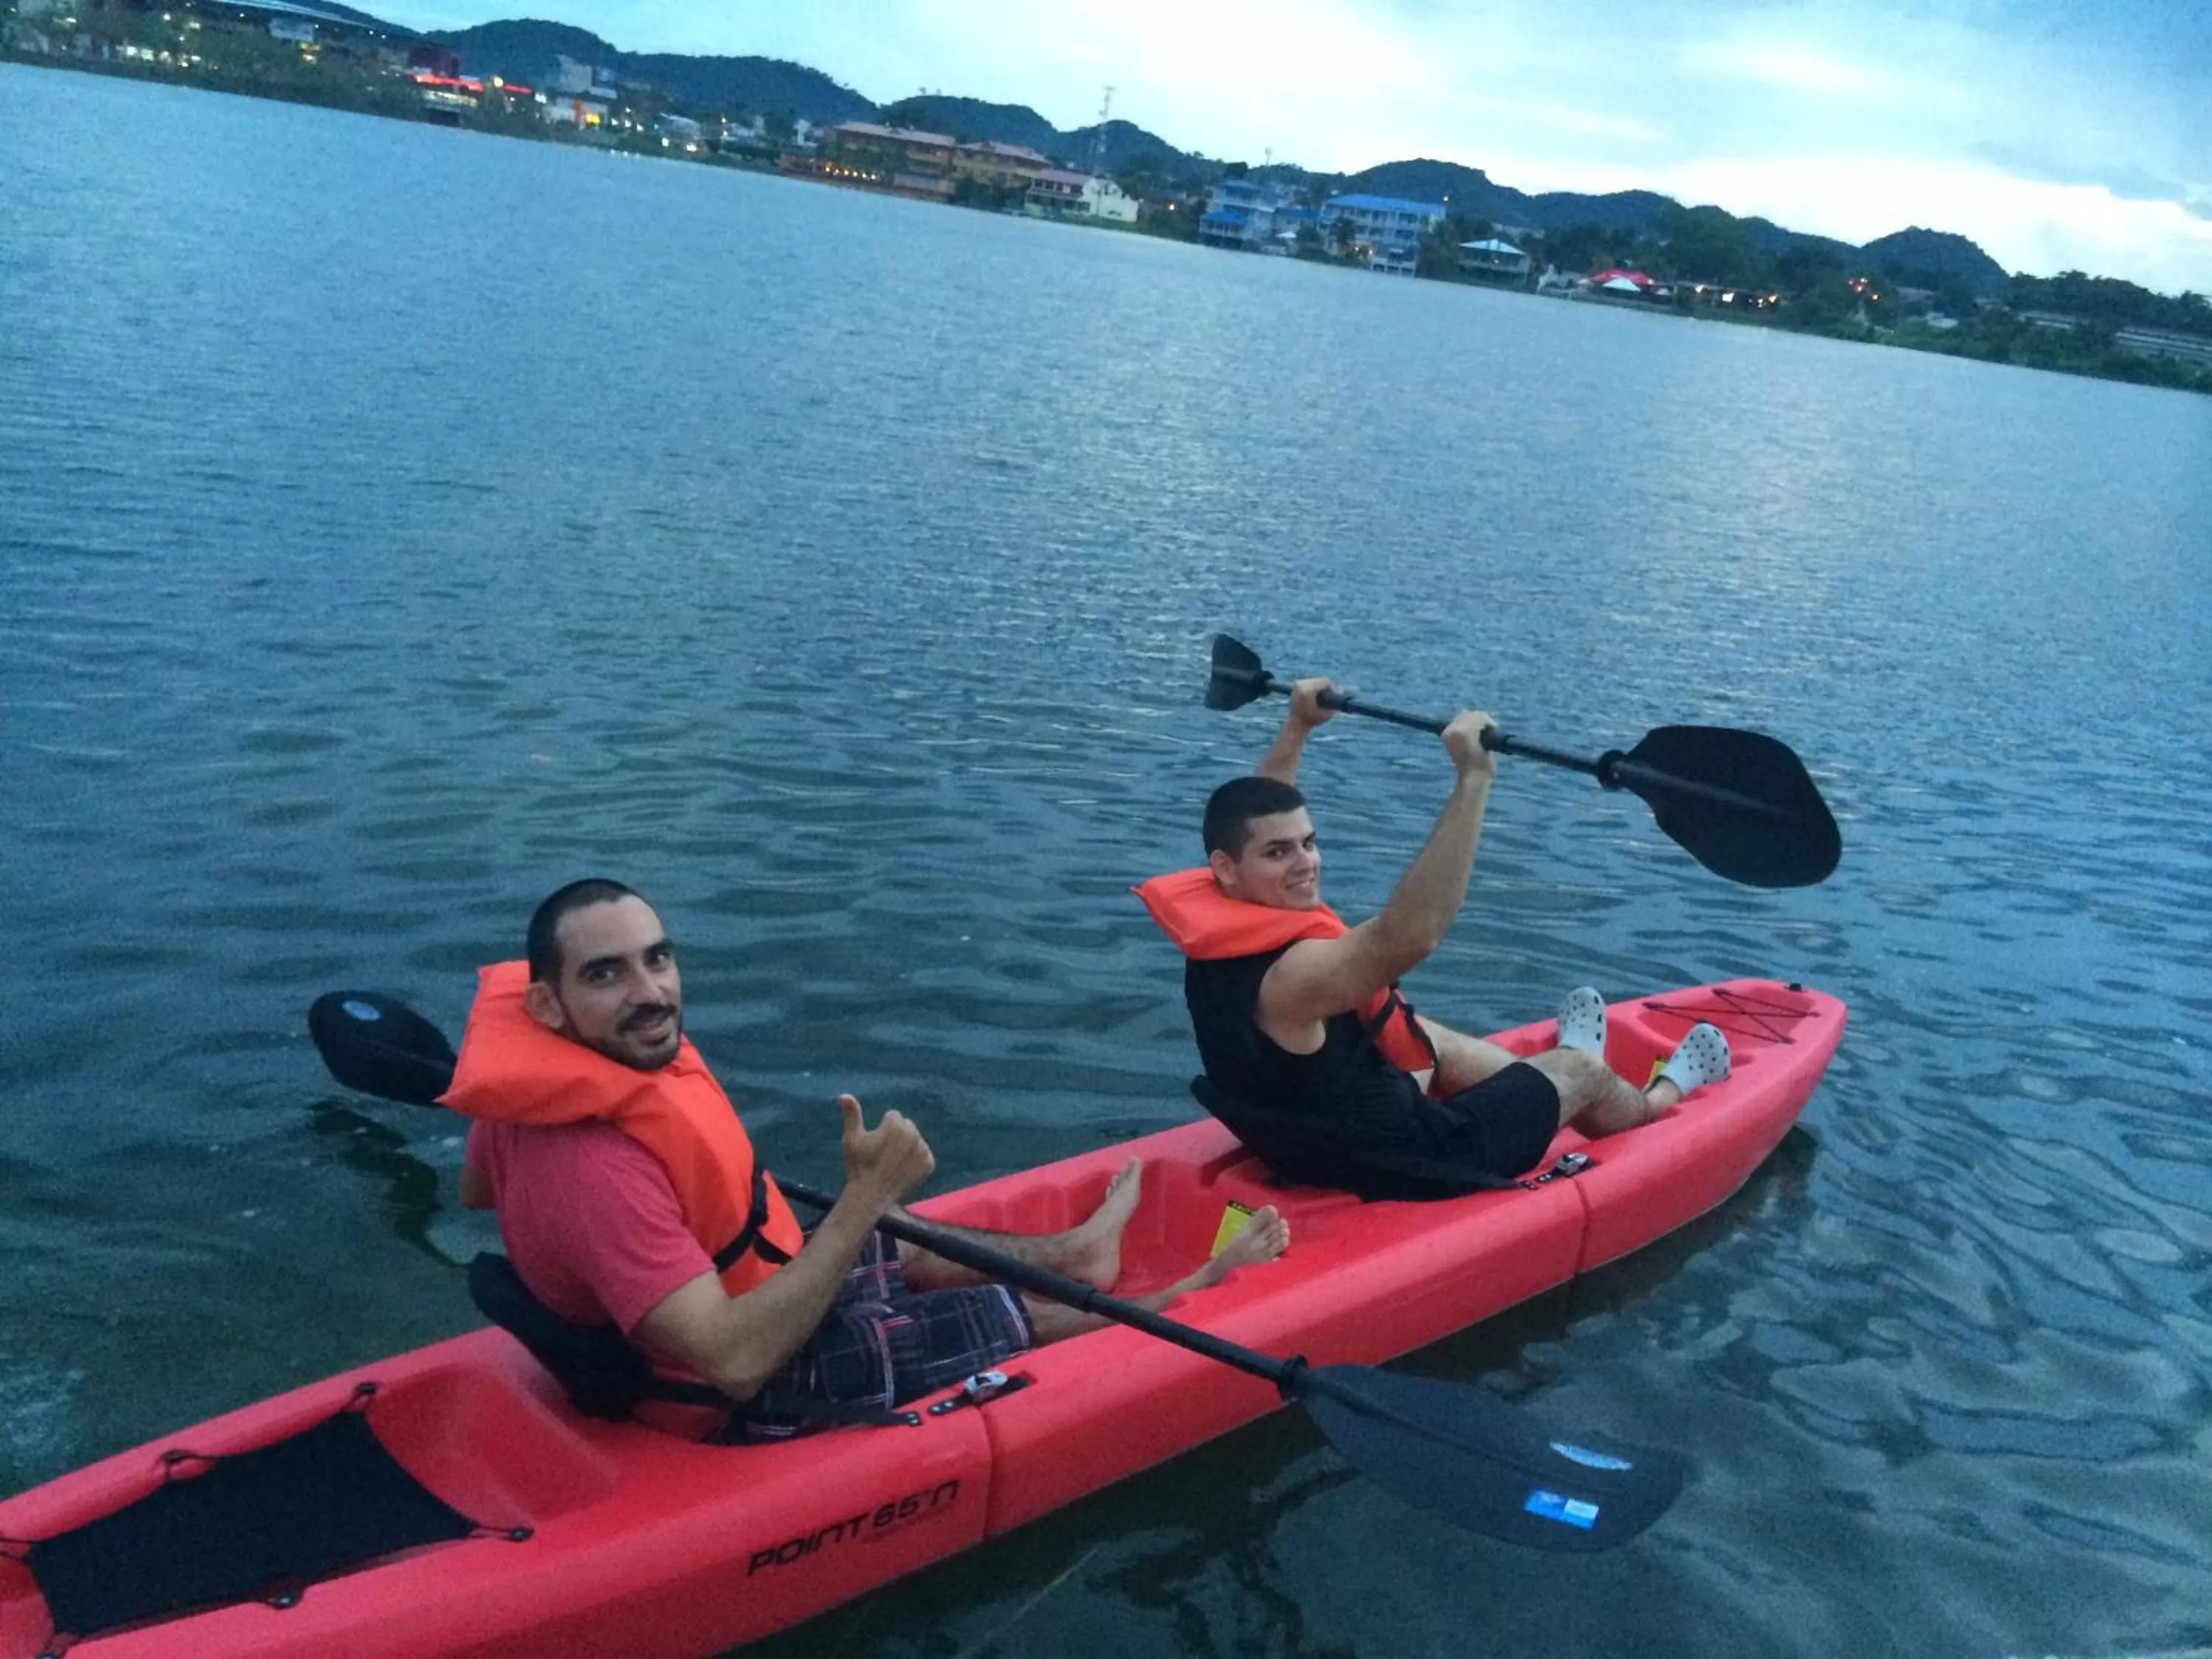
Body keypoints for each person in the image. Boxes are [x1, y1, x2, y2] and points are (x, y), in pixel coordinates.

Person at [448, 878, 1289, 1441]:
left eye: (657, 958)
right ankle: (1181, 1296)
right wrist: (864, 1193)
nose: (651, 992)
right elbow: (736, 1365)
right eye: (607, 974)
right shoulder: (597, 1168)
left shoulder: (543, 1089)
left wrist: (862, 1214)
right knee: (985, 1309)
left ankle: (1077, 1253)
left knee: (896, 1236)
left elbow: (480, 1188)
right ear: (547, 1005)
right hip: (738, 1386)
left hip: (726, 1297)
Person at [1136, 680, 1731, 1201]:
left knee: (1418, 1032)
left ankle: (1542, 1088)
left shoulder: (1224, 897)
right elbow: (1409, 935)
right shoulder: (1291, 981)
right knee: (1582, 1072)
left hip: (1307, 1129)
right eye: (1279, 853)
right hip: (1407, 1158)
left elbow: (1256, 812)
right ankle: (1648, 1097)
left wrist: (1297, 727)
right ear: (1228, 866)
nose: (1305, 864)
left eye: (1309, 843)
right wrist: (1473, 778)